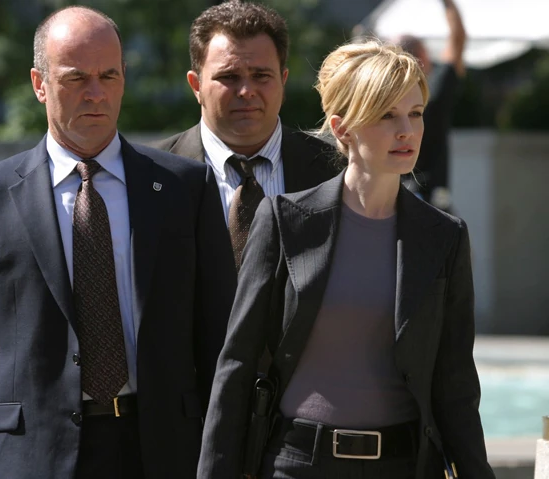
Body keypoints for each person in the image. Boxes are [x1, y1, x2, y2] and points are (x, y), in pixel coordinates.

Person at [0, 6, 235, 479]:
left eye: (108, 75)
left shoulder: (185, 188)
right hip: (33, 456)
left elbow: (219, 340)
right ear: (39, 84)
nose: (95, 93)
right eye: (76, 78)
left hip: (162, 450)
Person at [198, 40, 495, 479]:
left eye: (415, 114)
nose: (406, 131)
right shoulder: (285, 220)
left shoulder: (445, 236)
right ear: (342, 129)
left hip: (403, 467)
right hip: (297, 464)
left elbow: (456, 385)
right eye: (386, 115)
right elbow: (237, 363)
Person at [152, 0, 337, 270]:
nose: (246, 91)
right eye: (229, 77)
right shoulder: (150, 174)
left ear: (283, 81)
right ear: (196, 85)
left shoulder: (336, 170)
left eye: (261, 75)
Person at [396, 0, 467, 211]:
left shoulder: (383, 99)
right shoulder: (434, 91)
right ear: (423, 56)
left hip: (394, 198)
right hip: (432, 199)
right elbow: (458, 40)